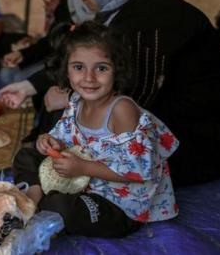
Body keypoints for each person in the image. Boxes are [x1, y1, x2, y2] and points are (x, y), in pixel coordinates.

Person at [2, 0, 220, 186]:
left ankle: (43, 175)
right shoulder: (135, 6)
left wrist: (71, 99)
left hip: (197, 149)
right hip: (190, 134)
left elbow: (135, 98)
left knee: (66, 113)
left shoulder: (147, 22)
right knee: (63, 106)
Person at [13, 21, 179, 238]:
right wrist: (49, 141)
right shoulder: (76, 101)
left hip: (119, 204)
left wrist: (83, 167)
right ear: (66, 69)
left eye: (101, 68)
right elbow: (63, 138)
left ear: (117, 69)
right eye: (79, 67)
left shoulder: (122, 110)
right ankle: (34, 196)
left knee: (62, 208)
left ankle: (44, 203)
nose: (89, 78)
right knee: (27, 154)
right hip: (82, 180)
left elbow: (139, 170)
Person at [0, 0, 72, 83]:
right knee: (6, 73)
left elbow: (55, 42)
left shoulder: (70, 7)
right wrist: (34, 41)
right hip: (45, 53)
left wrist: (23, 54)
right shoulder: (54, 6)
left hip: (61, 59)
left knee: (19, 79)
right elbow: (49, 36)